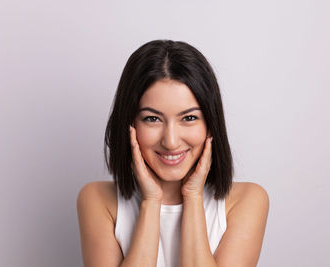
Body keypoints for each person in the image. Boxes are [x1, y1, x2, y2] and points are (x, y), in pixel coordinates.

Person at [77, 40, 269, 267]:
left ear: (210, 124)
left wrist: (193, 196)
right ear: (130, 123)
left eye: (189, 118)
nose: (170, 141)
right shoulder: (98, 200)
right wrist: (151, 201)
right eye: (152, 119)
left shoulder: (247, 200)